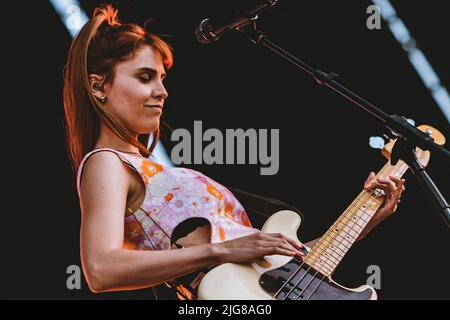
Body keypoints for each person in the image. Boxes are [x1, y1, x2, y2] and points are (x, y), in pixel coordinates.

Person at [63, 4, 405, 298]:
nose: (162, 91)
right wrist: (223, 249)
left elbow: (278, 278)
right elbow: (100, 268)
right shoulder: (106, 163)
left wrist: (363, 223)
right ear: (98, 86)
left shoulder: (143, 167)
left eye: (163, 78)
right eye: (145, 77)